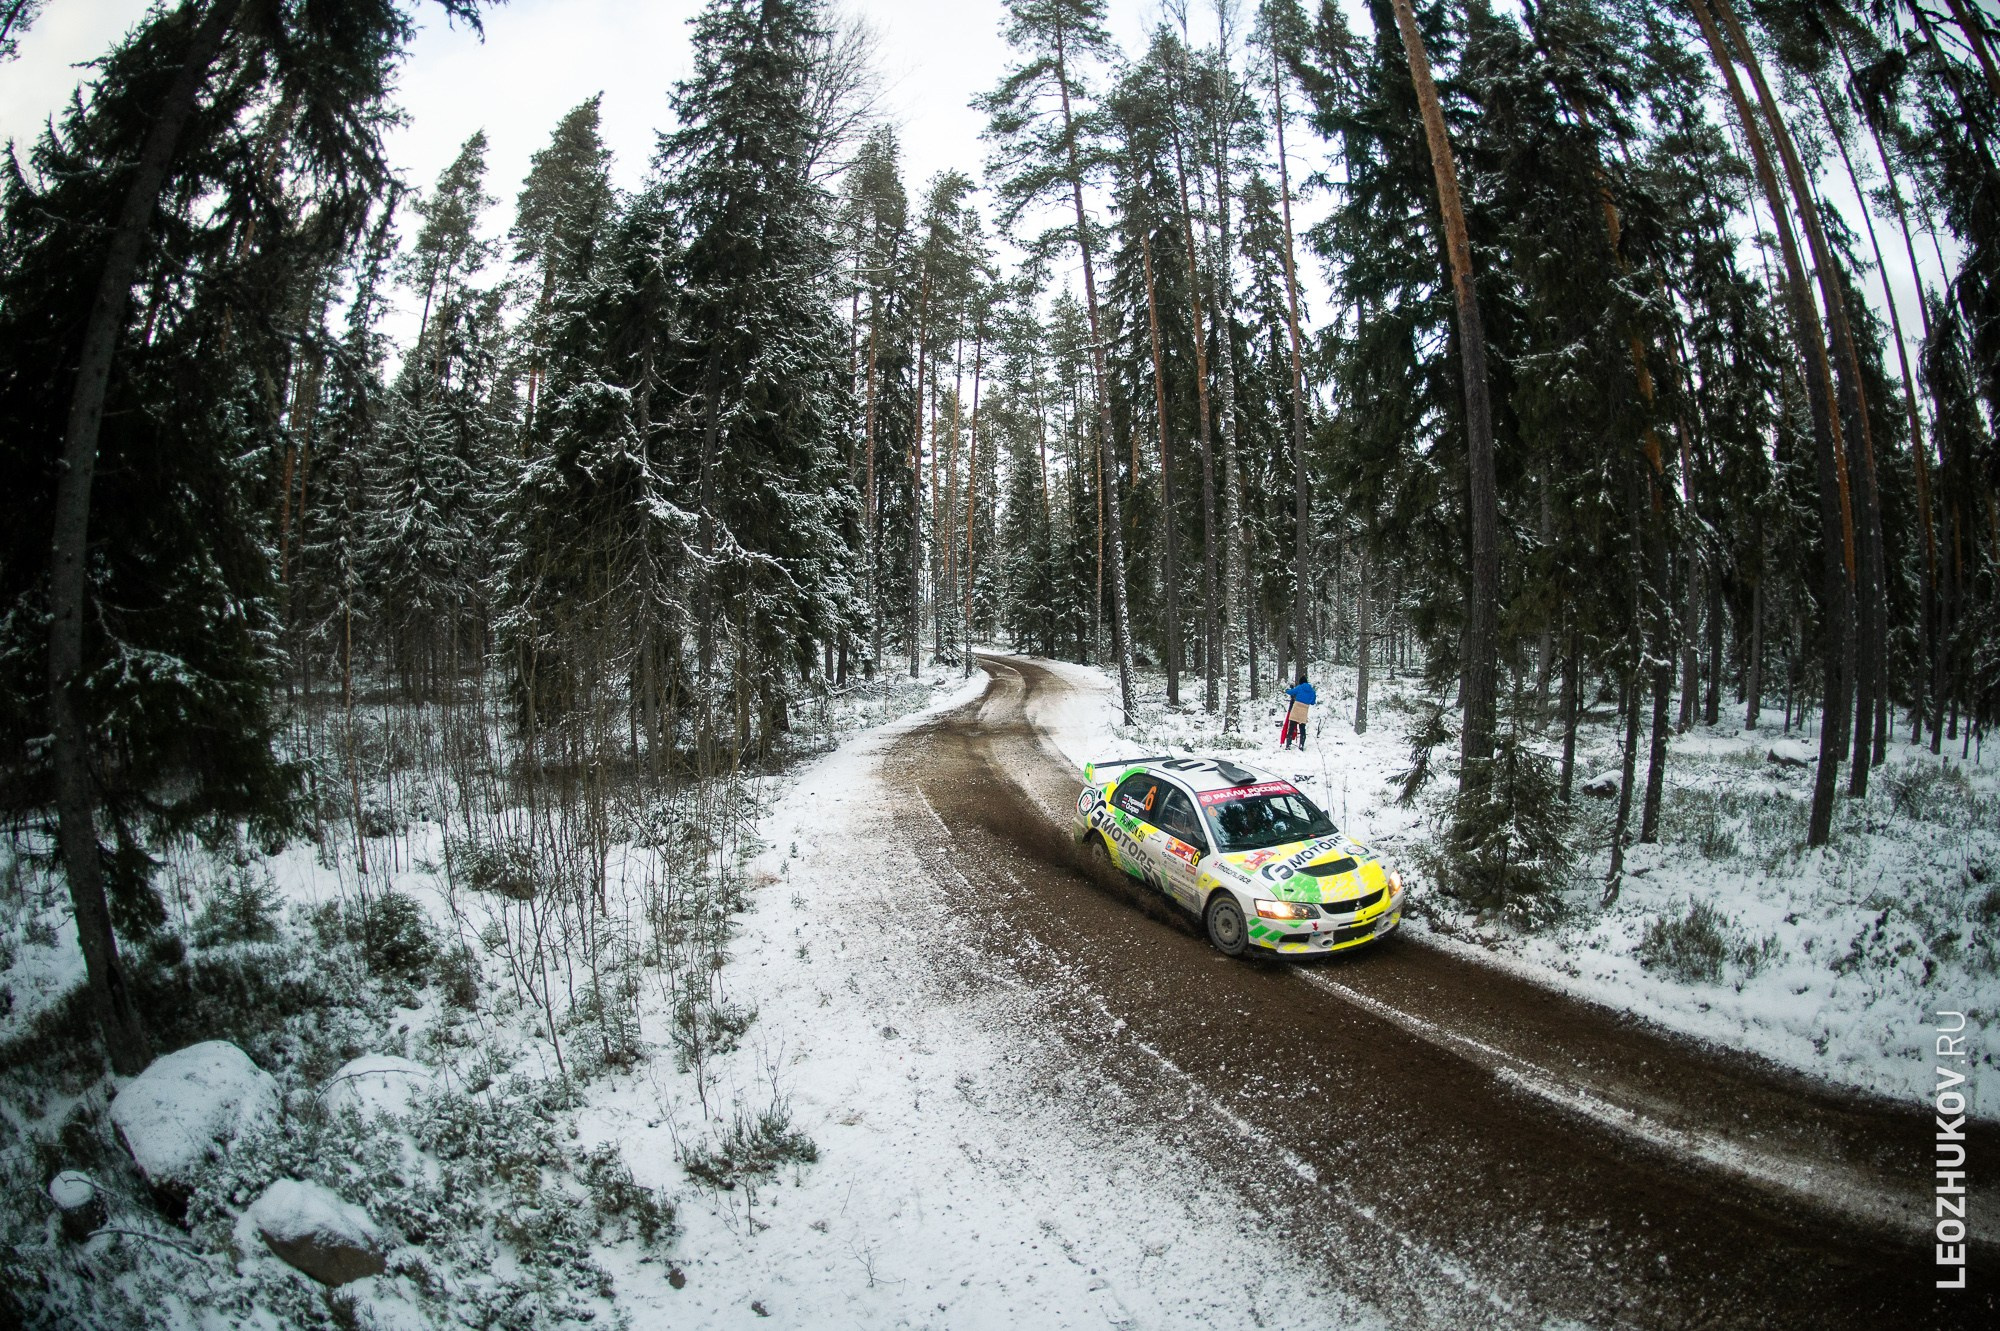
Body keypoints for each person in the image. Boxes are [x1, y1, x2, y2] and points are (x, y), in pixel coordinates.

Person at [1281, 674, 1317, 750]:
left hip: (1296, 707)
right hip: (1304, 710)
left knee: (1291, 727)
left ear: (1301, 682)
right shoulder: (1312, 691)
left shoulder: (1299, 687)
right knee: (1302, 728)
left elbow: (1291, 692)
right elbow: (1313, 702)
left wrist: (1286, 690)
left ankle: (1288, 745)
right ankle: (1301, 745)